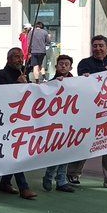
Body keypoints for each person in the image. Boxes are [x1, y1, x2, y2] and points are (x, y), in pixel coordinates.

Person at [68, 35, 107, 189]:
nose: (97, 48)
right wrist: (105, 71)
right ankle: (72, 174)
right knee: (84, 141)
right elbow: (87, 81)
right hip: (89, 113)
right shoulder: (85, 64)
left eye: (101, 45)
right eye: (95, 45)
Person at [0, 47, 37, 200]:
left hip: (20, 120)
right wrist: (17, 85)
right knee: (15, 152)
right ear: (9, 59)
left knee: (14, 152)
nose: (20, 60)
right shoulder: (1, 75)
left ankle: (5, 182)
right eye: (16, 57)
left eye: (21, 57)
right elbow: (2, 96)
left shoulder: (22, 74)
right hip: (5, 121)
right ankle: (24, 187)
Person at [42, 55, 77, 193]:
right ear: (56, 66)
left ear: (70, 67)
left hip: (70, 122)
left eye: (66, 64)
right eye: (61, 64)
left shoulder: (76, 82)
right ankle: (49, 176)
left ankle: (62, 180)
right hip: (55, 123)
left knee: (66, 153)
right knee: (56, 152)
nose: (63, 66)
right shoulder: (51, 83)